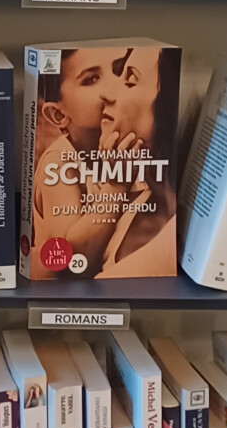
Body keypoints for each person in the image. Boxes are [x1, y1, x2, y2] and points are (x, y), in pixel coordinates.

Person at [31, 44, 177, 279]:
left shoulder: (126, 154)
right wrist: (115, 185)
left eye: (118, 71)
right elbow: (71, 261)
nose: (111, 89)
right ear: (58, 115)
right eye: (91, 79)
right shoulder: (58, 164)